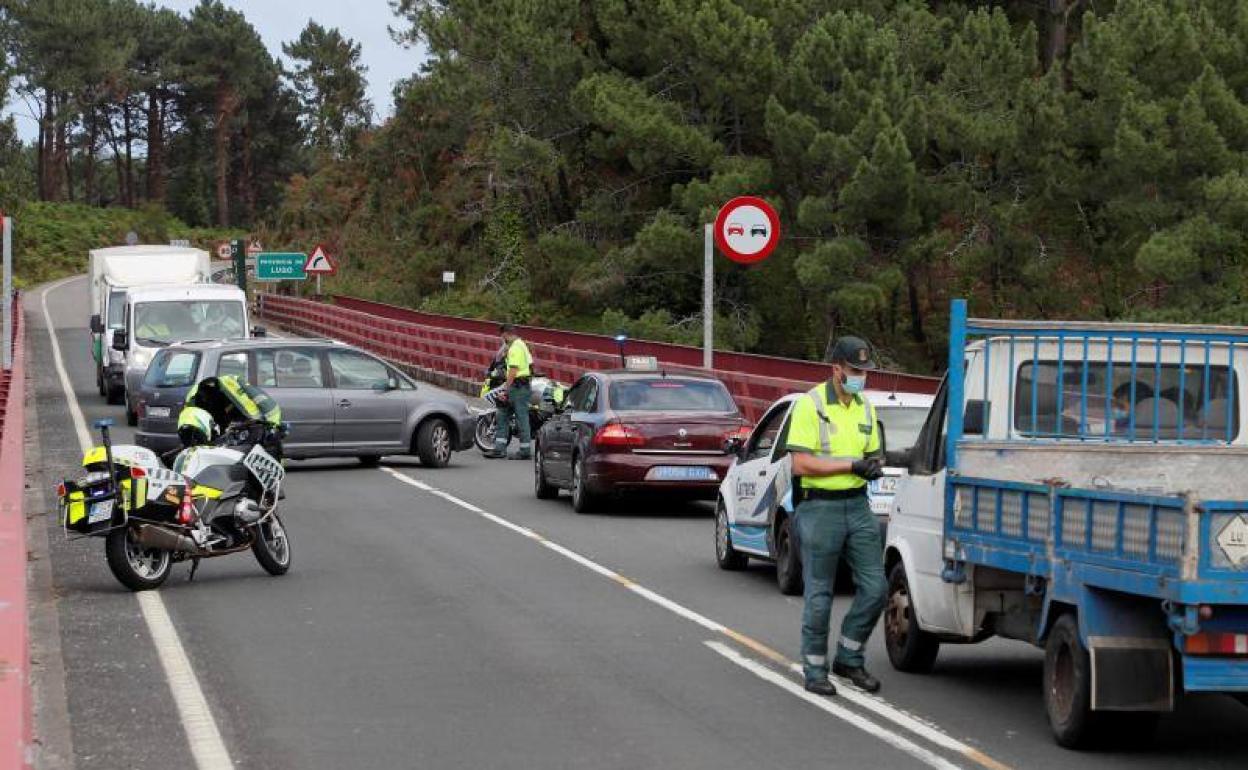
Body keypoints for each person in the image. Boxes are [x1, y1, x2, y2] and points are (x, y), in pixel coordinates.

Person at [784, 335, 888, 696]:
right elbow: (799, 463)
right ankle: (815, 669)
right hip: (819, 507)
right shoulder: (810, 405)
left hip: (858, 505)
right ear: (836, 369)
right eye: (855, 370)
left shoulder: (866, 407)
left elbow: (873, 452)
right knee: (820, 593)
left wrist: (874, 465)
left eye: (865, 371)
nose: (861, 377)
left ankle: (849, 657)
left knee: (876, 587)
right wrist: (851, 464)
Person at [485, 324, 534, 460]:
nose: (502, 339)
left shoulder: (515, 348)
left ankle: (523, 451)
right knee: (503, 414)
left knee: (520, 417)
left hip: (517, 387)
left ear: (506, 334)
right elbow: (530, 364)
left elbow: (513, 370)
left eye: (502, 336)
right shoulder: (522, 345)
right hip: (520, 386)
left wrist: (505, 388)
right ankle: (500, 448)